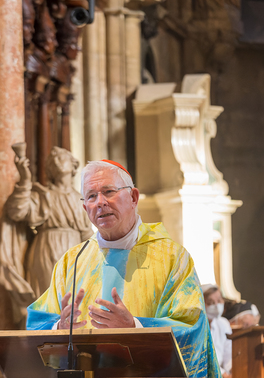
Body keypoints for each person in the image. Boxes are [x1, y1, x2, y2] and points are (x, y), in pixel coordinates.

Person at [26, 160, 221, 378]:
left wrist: (136, 327)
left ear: (133, 198)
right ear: (85, 208)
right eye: (91, 196)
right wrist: (59, 329)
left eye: (108, 191)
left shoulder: (172, 258)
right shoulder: (72, 261)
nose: (100, 202)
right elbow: (36, 324)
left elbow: (192, 327)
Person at [6, 146, 94, 297]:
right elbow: (16, 212)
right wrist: (25, 181)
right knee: (50, 300)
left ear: (73, 165)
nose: (56, 161)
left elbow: (87, 233)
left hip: (74, 250)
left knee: (75, 302)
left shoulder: (81, 199)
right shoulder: (42, 195)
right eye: (52, 161)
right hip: (46, 249)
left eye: (61, 157)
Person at [202, 284, 232, 378]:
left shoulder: (223, 323)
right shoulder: (196, 327)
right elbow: (203, 360)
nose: (216, 306)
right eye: (210, 302)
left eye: (219, 301)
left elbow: (229, 359)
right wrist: (223, 373)